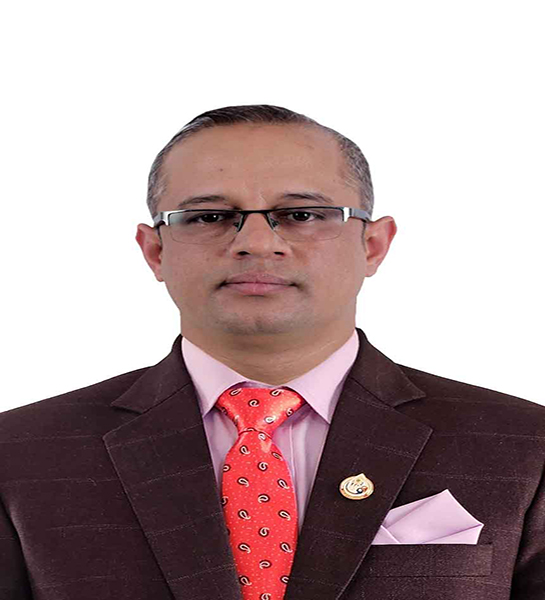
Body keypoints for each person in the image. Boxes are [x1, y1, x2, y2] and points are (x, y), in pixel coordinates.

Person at [0, 104, 543, 600]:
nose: (256, 243)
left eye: (302, 215)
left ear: (373, 245)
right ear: (155, 250)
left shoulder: (527, 448)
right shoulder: (20, 456)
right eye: (209, 217)